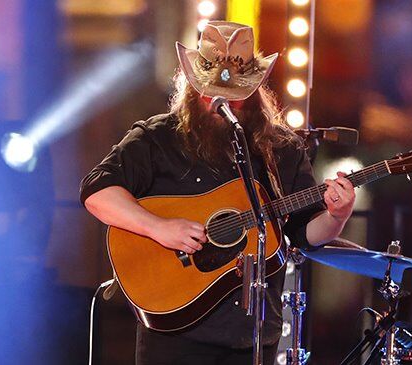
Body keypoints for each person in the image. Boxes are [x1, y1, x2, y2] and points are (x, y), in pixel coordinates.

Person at [80, 21, 356, 365]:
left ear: (253, 92)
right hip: (175, 334)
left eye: (235, 95)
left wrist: (336, 215)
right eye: (211, 92)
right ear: (193, 86)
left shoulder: (281, 149)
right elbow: (97, 191)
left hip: (253, 331)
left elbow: (302, 235)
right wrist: (158, 227)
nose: (221, 102)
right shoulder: (158, 137)